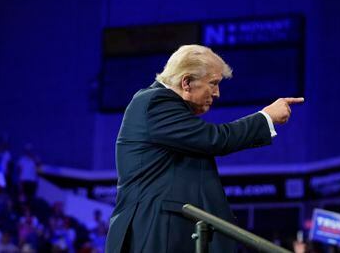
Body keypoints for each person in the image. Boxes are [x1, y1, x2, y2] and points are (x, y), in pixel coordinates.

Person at [105, 44, 303, 253]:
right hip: (156, 232)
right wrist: (266, 118)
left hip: (165, 232)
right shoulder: (155, 101)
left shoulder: (163, 108)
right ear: (187, 82)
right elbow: (215, 139)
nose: (217, 93)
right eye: (213, 83)